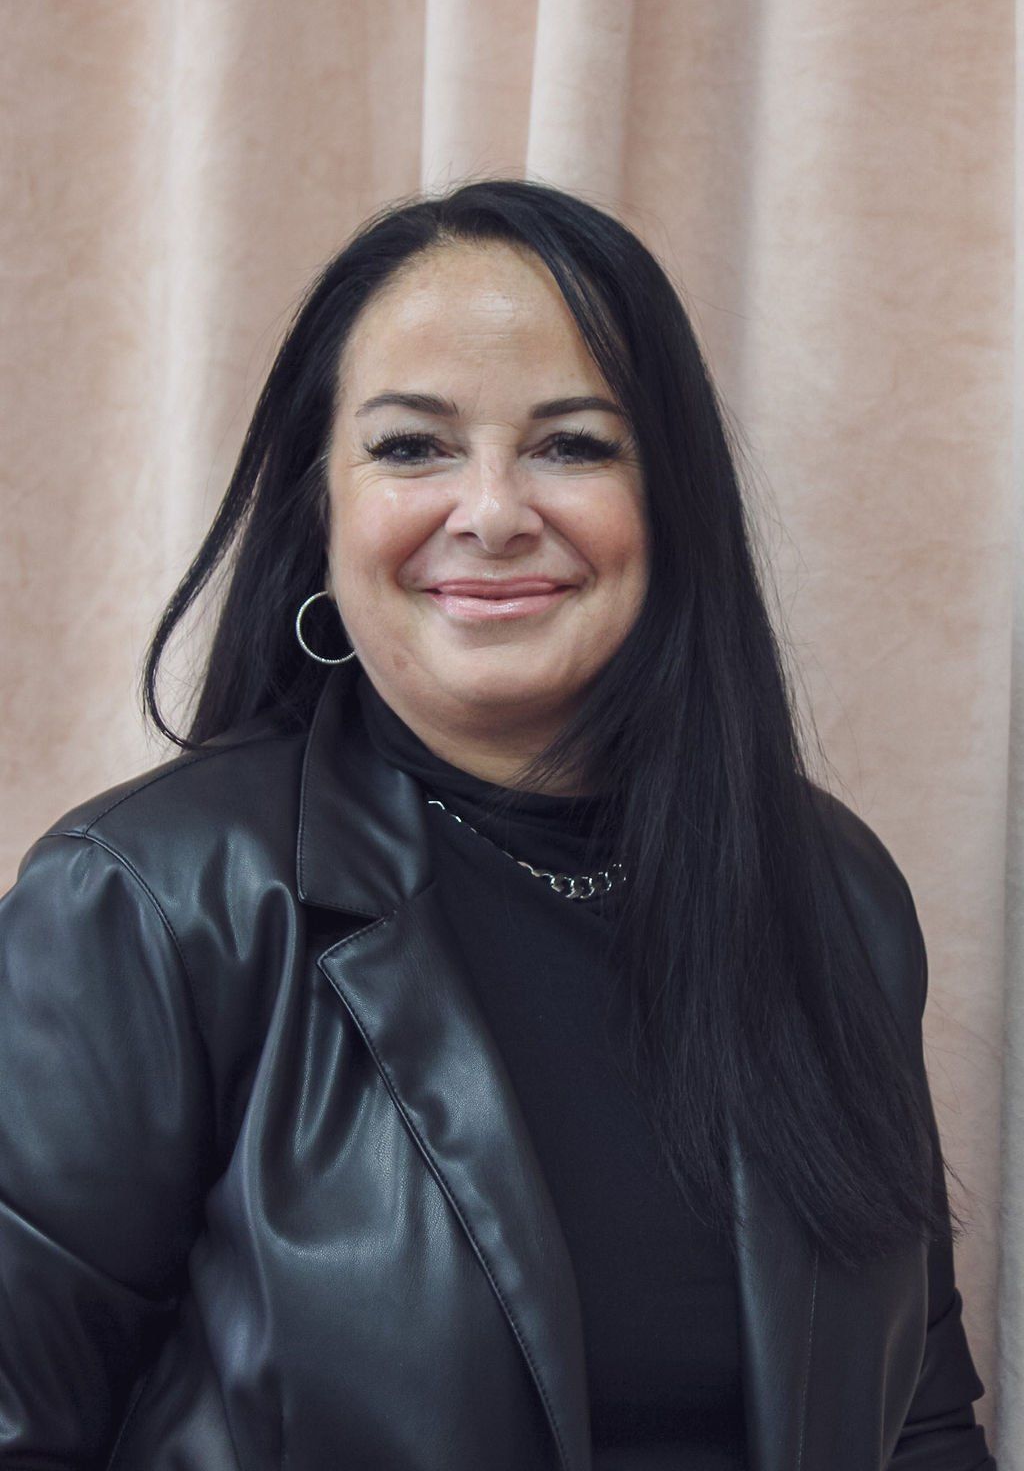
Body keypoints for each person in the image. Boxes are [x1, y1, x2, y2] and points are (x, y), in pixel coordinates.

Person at [0, 179, 997, 1471]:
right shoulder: (146, 902)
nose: (490, 510)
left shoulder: (830, 893)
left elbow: (915, 1423)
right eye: (412, 446)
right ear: (322, 507)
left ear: (672, 504)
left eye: (573, 445)